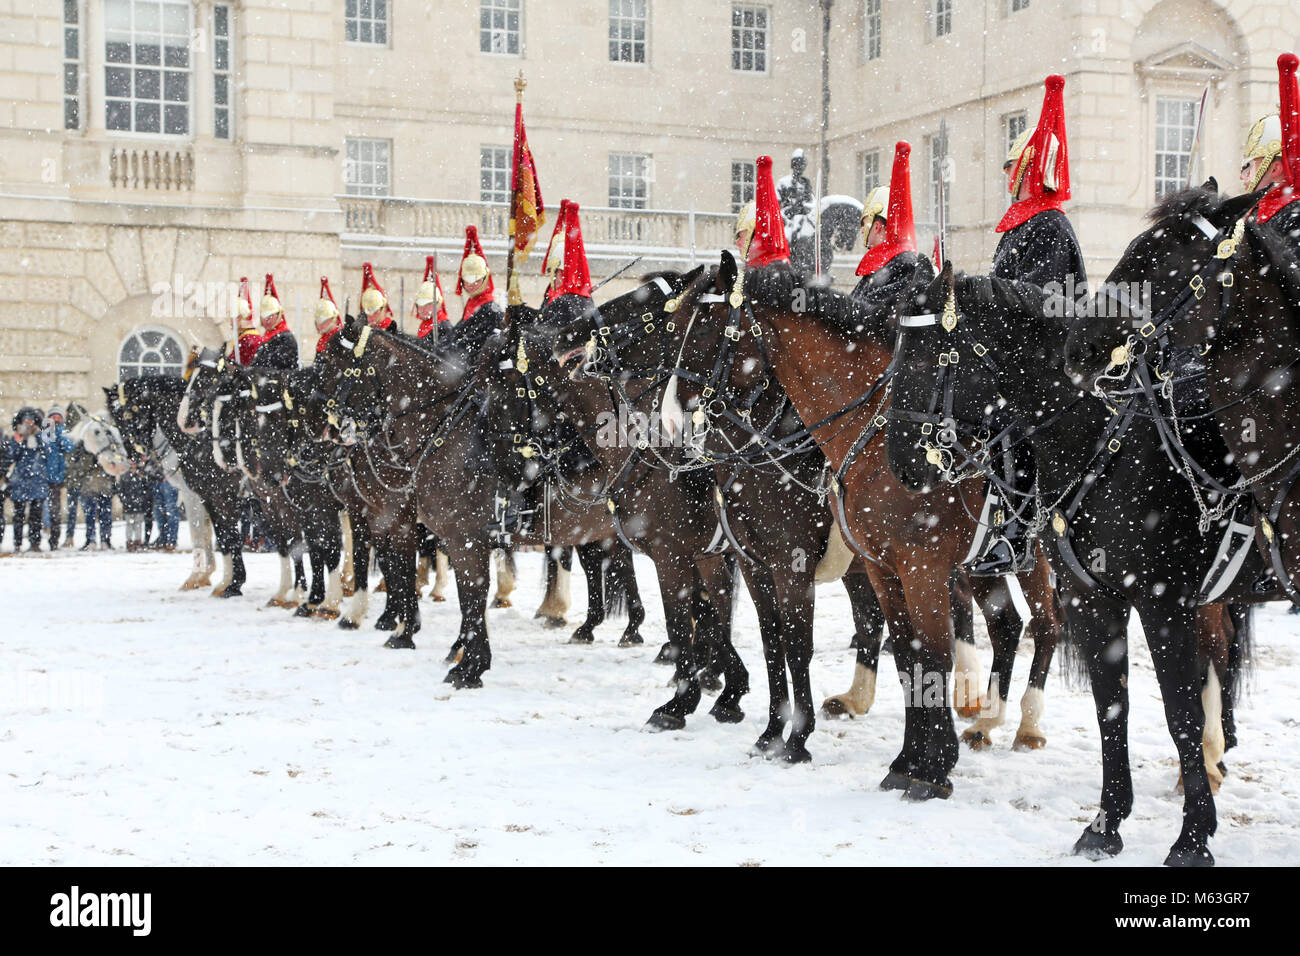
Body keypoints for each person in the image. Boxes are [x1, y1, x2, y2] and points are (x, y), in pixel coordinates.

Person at [965, 73, 1086, 576]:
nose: (1007, 174)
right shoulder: (1023, 225)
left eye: (1012, 165)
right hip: (1013, 354)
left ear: (1030, 167)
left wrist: (986, 292)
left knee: (1007, 420)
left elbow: (1043, 295)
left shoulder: (1050, 224)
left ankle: (1016, 527)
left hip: (1048, 359)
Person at [1245, 53, 1300, 244]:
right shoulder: (1258, 211)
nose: (1243, 177)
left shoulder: (1292, 213)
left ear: (1275, 169)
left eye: (1248, 167)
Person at [453, 225, 504, 354]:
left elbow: (475, 340)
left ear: (484, 279)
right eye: (467, 280)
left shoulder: (490, 309)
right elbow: (458, 332)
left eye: (476, 280)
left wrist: (453, 349)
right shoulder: (471, 303)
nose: (471, 284)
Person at [8, 407, 49, 551]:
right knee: (18, 515)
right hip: (20, 481)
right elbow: (12, 456)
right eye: (25, 421)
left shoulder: (41, 436)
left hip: (37, 481)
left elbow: (47, 452)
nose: (28, 424)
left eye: (31, 421)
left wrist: (38, 436)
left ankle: (35, 542)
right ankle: (17, 543)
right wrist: (19, 440)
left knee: (36, 516)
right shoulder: (16, 437)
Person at [39, 403, 76, 550]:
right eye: (53, 416)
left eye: (58, 416)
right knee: (43, 510)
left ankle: (54, 540)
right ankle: (42, 533)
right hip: (43, 477)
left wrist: (58, 435)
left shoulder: (65, 432)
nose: (55, 419)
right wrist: (49, 433)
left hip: (57, 479)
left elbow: (69, 447)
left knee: (55, 511)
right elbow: (45, 448)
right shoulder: (44, 432)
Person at [250, 273, 299, 370]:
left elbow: (273, 364)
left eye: (270, 315)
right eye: (264, 316)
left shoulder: (286, 338)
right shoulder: (266, 337)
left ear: (278, 315)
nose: (267, 319)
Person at [118, 462, 153, 552]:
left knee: (138, 524)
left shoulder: (141, 477)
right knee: (129, 524)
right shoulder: (124, 477)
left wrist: (142, 499)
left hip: (139, 505)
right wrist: (125, 501)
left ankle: (138, 541)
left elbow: (146, 490)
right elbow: (121, 491)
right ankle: (129, 541)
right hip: (128, 506)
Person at [414, 256, 450, 339]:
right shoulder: (424, 324)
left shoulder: (444, 327)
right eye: (420, 305)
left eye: (428, 304)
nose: (423, 309)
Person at [232, 277, 262, 366]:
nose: (230, 323)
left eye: (233, 318)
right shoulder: (245, 337)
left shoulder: (247, 339)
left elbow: (232, 364)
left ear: (240, 318)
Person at [359, 262, 398, 332]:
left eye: (375, 312)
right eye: (367, 313)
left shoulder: (388, 328)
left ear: (382, 309)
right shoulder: (365, 330)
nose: (370, 317)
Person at [313, 276, 343, 358]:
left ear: (333, 319)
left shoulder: (340, 338)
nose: (320, 325)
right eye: (318, 322)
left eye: (324, 321)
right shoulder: (322, 340)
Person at [153, 474, 180, 551]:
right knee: (159, 512)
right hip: (156, 478)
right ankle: (163, 538)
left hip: (169, 478)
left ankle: (172, 540)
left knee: (171, 511)